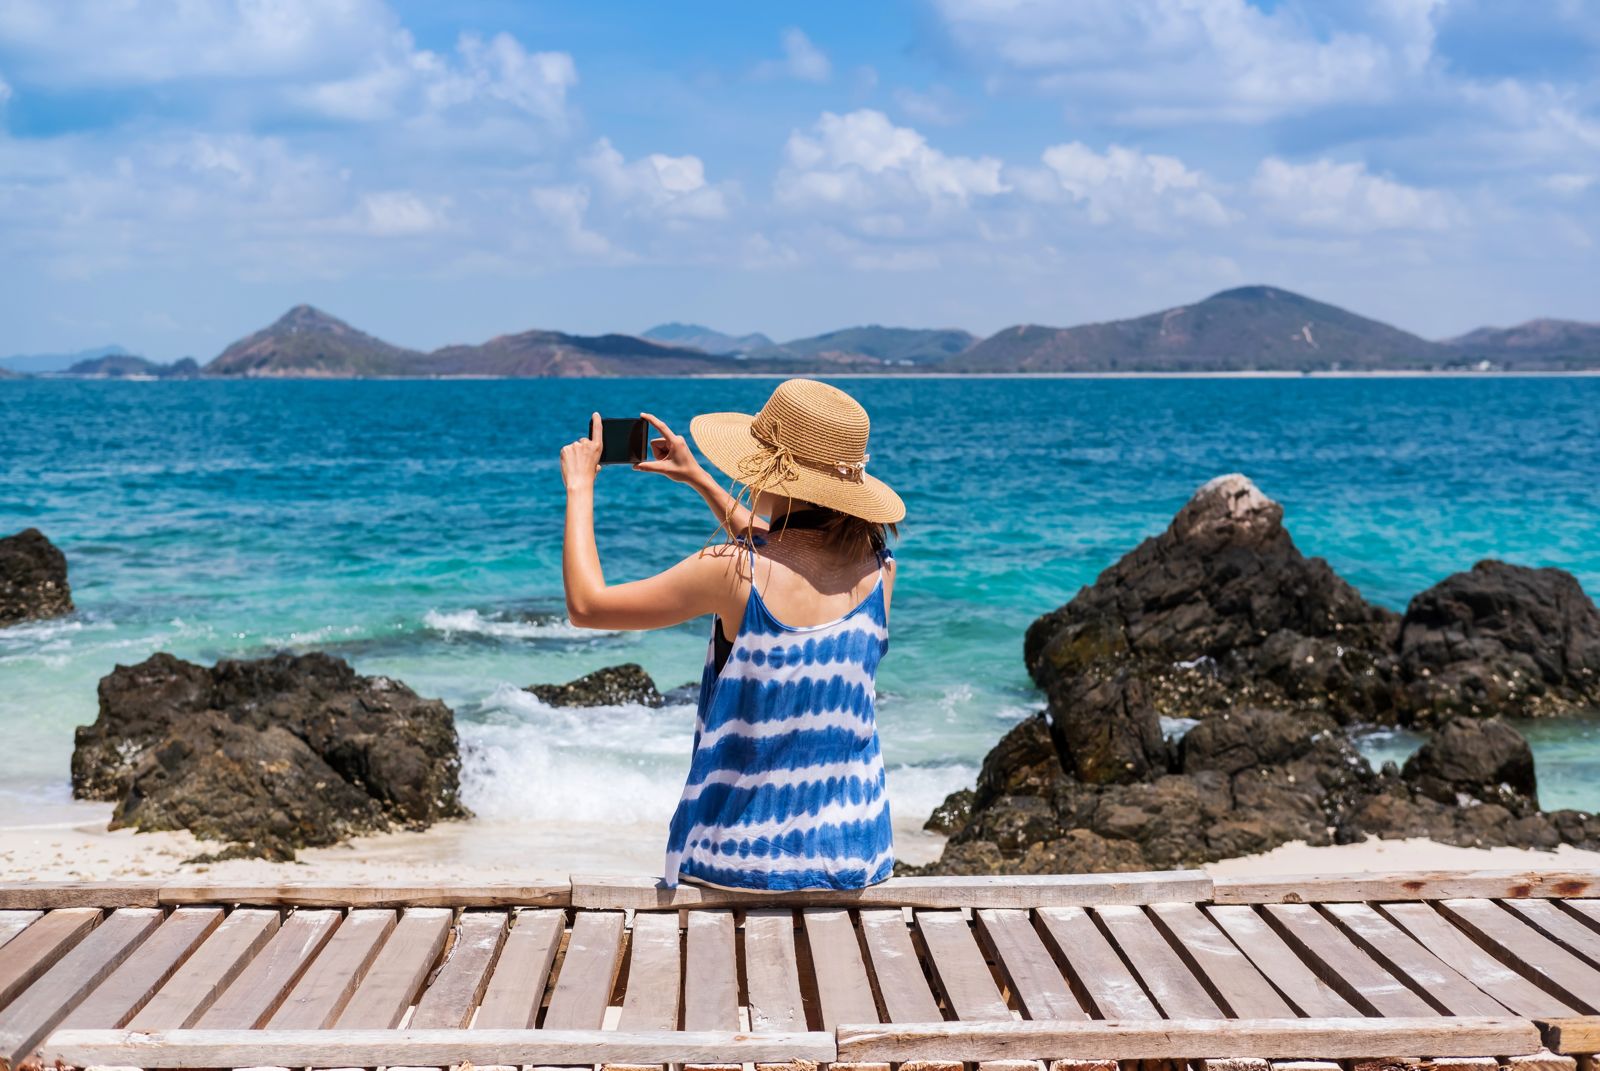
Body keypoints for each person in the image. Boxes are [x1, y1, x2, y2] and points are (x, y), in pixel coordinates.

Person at [559, 378, 905, 891]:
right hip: (857, 857)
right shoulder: (879, 569)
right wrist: (698, 479)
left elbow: (588, 607)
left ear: (769, 469)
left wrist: (580, 487)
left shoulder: (730, 571)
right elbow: (788, 553)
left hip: (747, 867)